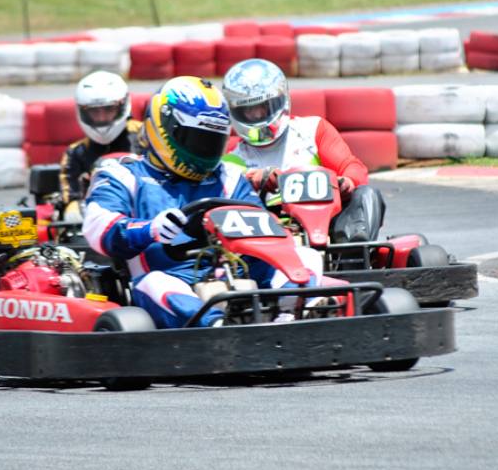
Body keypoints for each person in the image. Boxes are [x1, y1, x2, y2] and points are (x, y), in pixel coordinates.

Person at [82, 76, 324, 329]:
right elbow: (99, 227)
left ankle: (290, 317)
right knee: (156, 283)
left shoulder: (228, 176)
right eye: (197, 140)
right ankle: (216, 327)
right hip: (170, 277)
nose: (204, 150)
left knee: (305, 257)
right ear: (166, 129)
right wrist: (150, 229)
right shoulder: (124, 175)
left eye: (212, 141)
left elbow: (262, 226)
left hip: (237, 273)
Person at [220, 59, 385, 242]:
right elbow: (224, 193)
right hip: (265, 233)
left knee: (365, 194)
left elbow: (351, 166)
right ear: (236, 112)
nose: (258, 116)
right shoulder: (232, 161)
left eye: (263, 107)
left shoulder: (312, 131)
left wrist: (347, 181)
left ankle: (352, 256)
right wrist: (254, 179)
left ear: (280, 100)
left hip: (326, 224)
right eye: (249, 110)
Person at [58, 70, 142, 206]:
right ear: (83, 112)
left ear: (122, 106)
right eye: (94, 111)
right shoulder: (75, 153)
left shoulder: (146, 137)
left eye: (109, 109)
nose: (101, 118)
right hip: (98, 217)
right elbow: (71, 199)